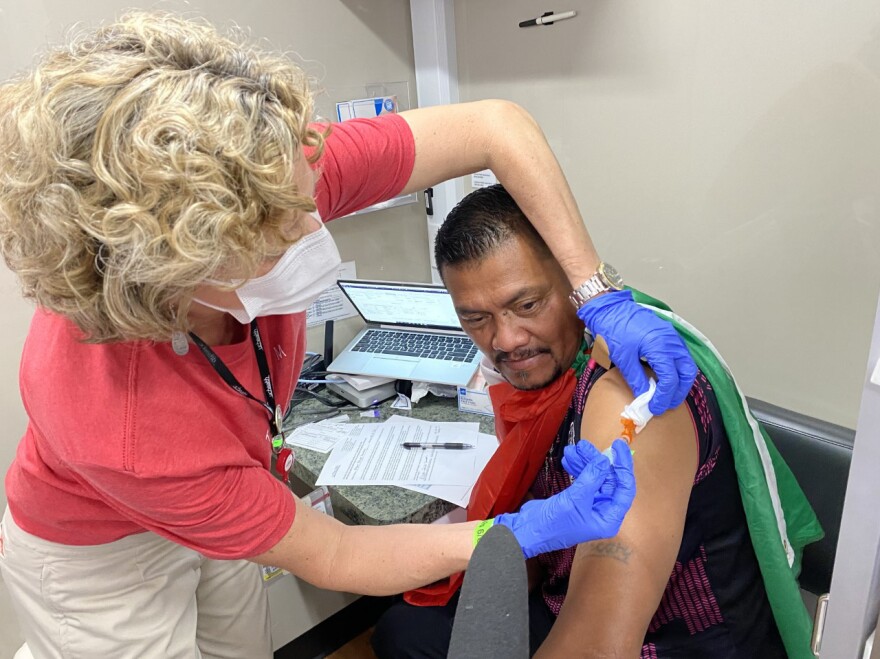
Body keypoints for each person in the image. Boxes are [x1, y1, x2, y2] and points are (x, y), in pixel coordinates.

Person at [0, 11, 646, 658]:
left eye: (305, 200)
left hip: (217, 480)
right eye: (277, 238)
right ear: (180, 272)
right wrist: (514, 531)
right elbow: (334, 551)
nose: (315, 230)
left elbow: (494, 125)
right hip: (95, 550)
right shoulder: (130, 425)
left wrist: (598, 290)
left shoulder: (264, 174)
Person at [372, 184, 823, 658]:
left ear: (575, 284)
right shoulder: (539, 370)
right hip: (565, 590)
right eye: (476, 317)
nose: (505, 340)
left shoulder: (633, 390)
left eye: (527, 305)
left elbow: (597, 647)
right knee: (406, 633)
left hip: (682, 639)